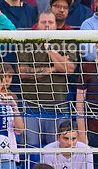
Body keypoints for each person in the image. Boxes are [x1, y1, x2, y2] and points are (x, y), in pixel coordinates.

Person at [16, 12, 76, 147]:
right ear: (37, 25)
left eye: (50, 22)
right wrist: (54, 68)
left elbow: (70, 69)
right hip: (31, 108)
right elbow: (22, 72)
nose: (47, 25)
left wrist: (49, 49)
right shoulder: (27, 43)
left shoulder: (66, 43)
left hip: (58, 107)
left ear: (56, 25)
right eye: (43, 22)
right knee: (30, 150)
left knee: (57, 151)